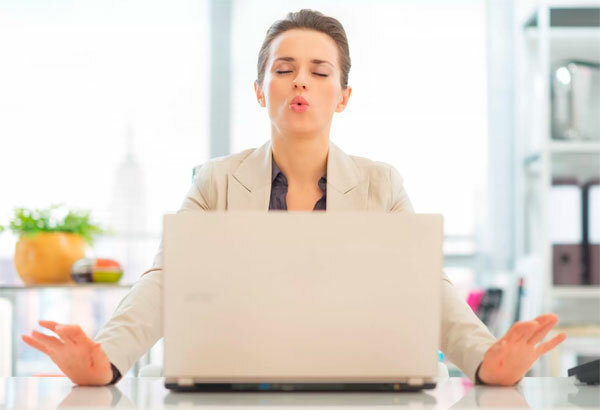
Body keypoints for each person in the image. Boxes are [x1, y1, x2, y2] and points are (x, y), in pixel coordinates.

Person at [22, 9, 566, 387]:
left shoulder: (382, 185)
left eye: (318, 72)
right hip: (238, 383)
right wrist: (106, 359)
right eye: (284, 70)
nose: (300, 82)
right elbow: (165, 281)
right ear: (261, 91)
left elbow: (428, 288)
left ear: (343, 96)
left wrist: (486, 358)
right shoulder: (214, 181)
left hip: (359, 383)